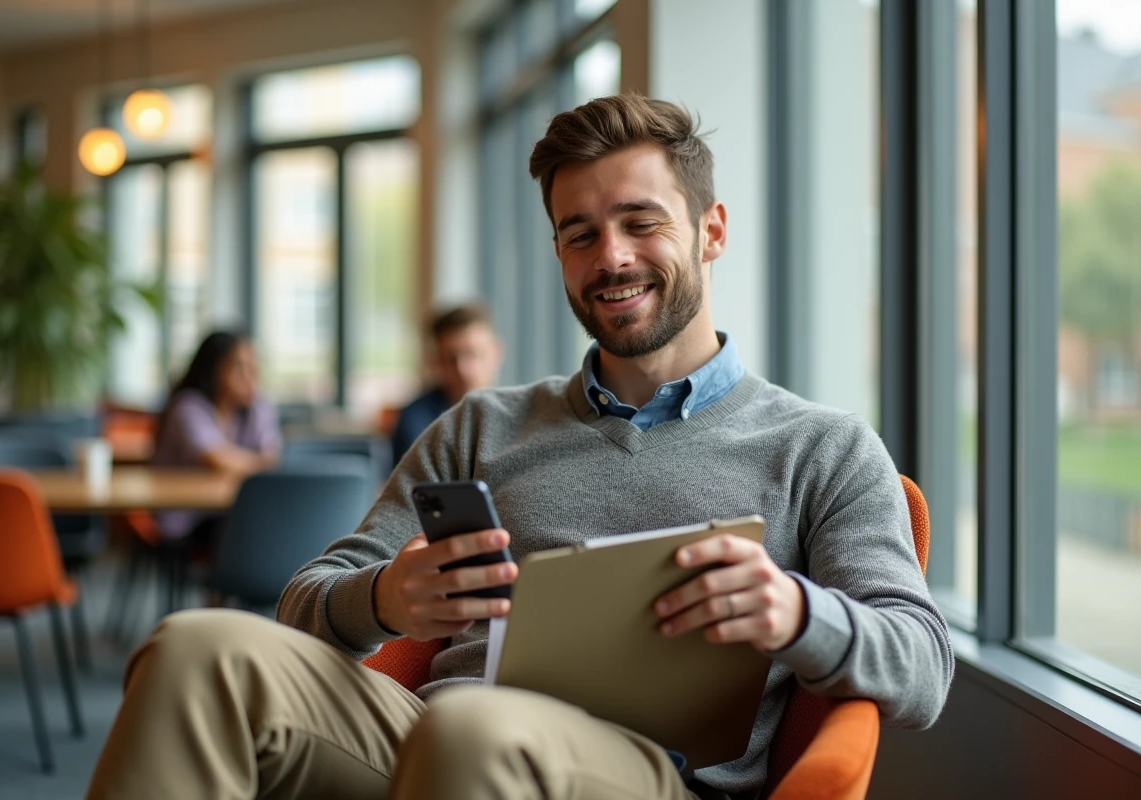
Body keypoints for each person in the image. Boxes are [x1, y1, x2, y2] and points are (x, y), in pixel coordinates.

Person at [87, 95, 952, 800]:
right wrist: (385, 596)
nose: (611, 257)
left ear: (711, 230)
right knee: (193, 648)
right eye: (581, 233)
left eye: (641, 222)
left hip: (647, 775)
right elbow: (306, 602)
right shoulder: (481, 425)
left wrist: (796, 612)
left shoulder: (822, 447)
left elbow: (921, 667)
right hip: (427, 739)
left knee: (475, 727)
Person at [150, 330, 281, 541]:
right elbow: (218, 460)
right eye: (240, 368)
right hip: (187, 518)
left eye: (253, 366)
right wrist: (259, 463)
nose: (251, 377)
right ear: (214, 370)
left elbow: (271, 458)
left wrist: (257, 463)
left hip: (233, 510)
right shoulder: (187, 407)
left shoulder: (256, 408)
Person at [390, 303, 504, 465]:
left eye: (474, 354)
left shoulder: (523, 417)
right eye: (451, 359)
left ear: (497, 353)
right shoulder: (415, 422)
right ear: (436, 361)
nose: (464, 370)